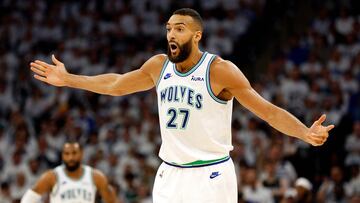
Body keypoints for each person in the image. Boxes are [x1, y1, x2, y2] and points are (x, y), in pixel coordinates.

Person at [29, 8, 335, 203]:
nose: (171, 34)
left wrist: (304, 133)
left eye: (179, 28)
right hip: (170, 175)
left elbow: (267, 111)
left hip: (212, 175)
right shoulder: (158, 65)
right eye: (168, 28)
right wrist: (69, 79)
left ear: (196, 35)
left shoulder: (219, 70)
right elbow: (116, 84)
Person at [20, 141, 119, 203]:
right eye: (66, 154)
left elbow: (111, 200)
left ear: (81, 154)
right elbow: (28, 199)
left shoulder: (96, 177)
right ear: (62, 156)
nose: (70, 157)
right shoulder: (52, 176)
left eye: (74, 153)